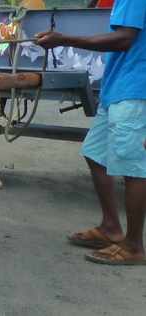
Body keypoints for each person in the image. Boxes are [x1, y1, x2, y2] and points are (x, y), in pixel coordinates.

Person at [36, 0, 146, 265]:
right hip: (118, 86)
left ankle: (134, 246)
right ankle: (111, 227)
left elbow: (123, 39)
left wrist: (65, 39)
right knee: (95, 153)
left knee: (132, 167)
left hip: (134, 90)